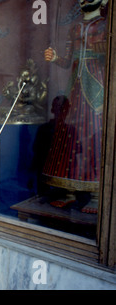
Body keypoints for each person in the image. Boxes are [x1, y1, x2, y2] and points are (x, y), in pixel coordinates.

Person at [42, 0, 108, 213]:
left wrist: (102, 50)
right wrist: (55, 58)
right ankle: (70, 192)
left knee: (95, 135)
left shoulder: (105, 24)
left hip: (96, 84)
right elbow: (68, 60)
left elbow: (108, 57)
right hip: (75, 87)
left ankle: (97, 196)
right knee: (71, 137)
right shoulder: (75, 28)